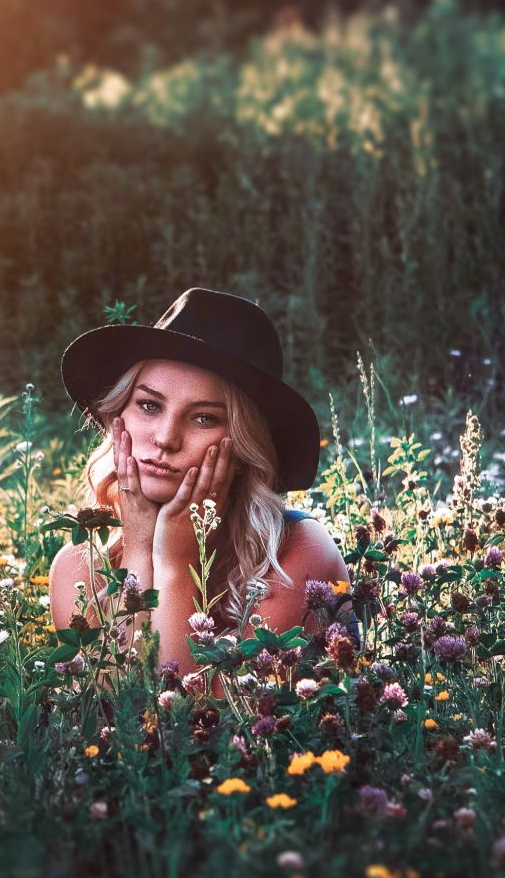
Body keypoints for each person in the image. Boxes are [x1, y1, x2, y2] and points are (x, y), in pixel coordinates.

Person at [50, 287, 353, 680]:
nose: (165, 438)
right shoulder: (79, 568)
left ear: (245, 444)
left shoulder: (296, 555)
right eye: (149, 405)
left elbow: (188, 724)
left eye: (204, 418)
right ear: (117, 414)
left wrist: (178, 566)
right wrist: (140, 549)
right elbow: (118, 710)